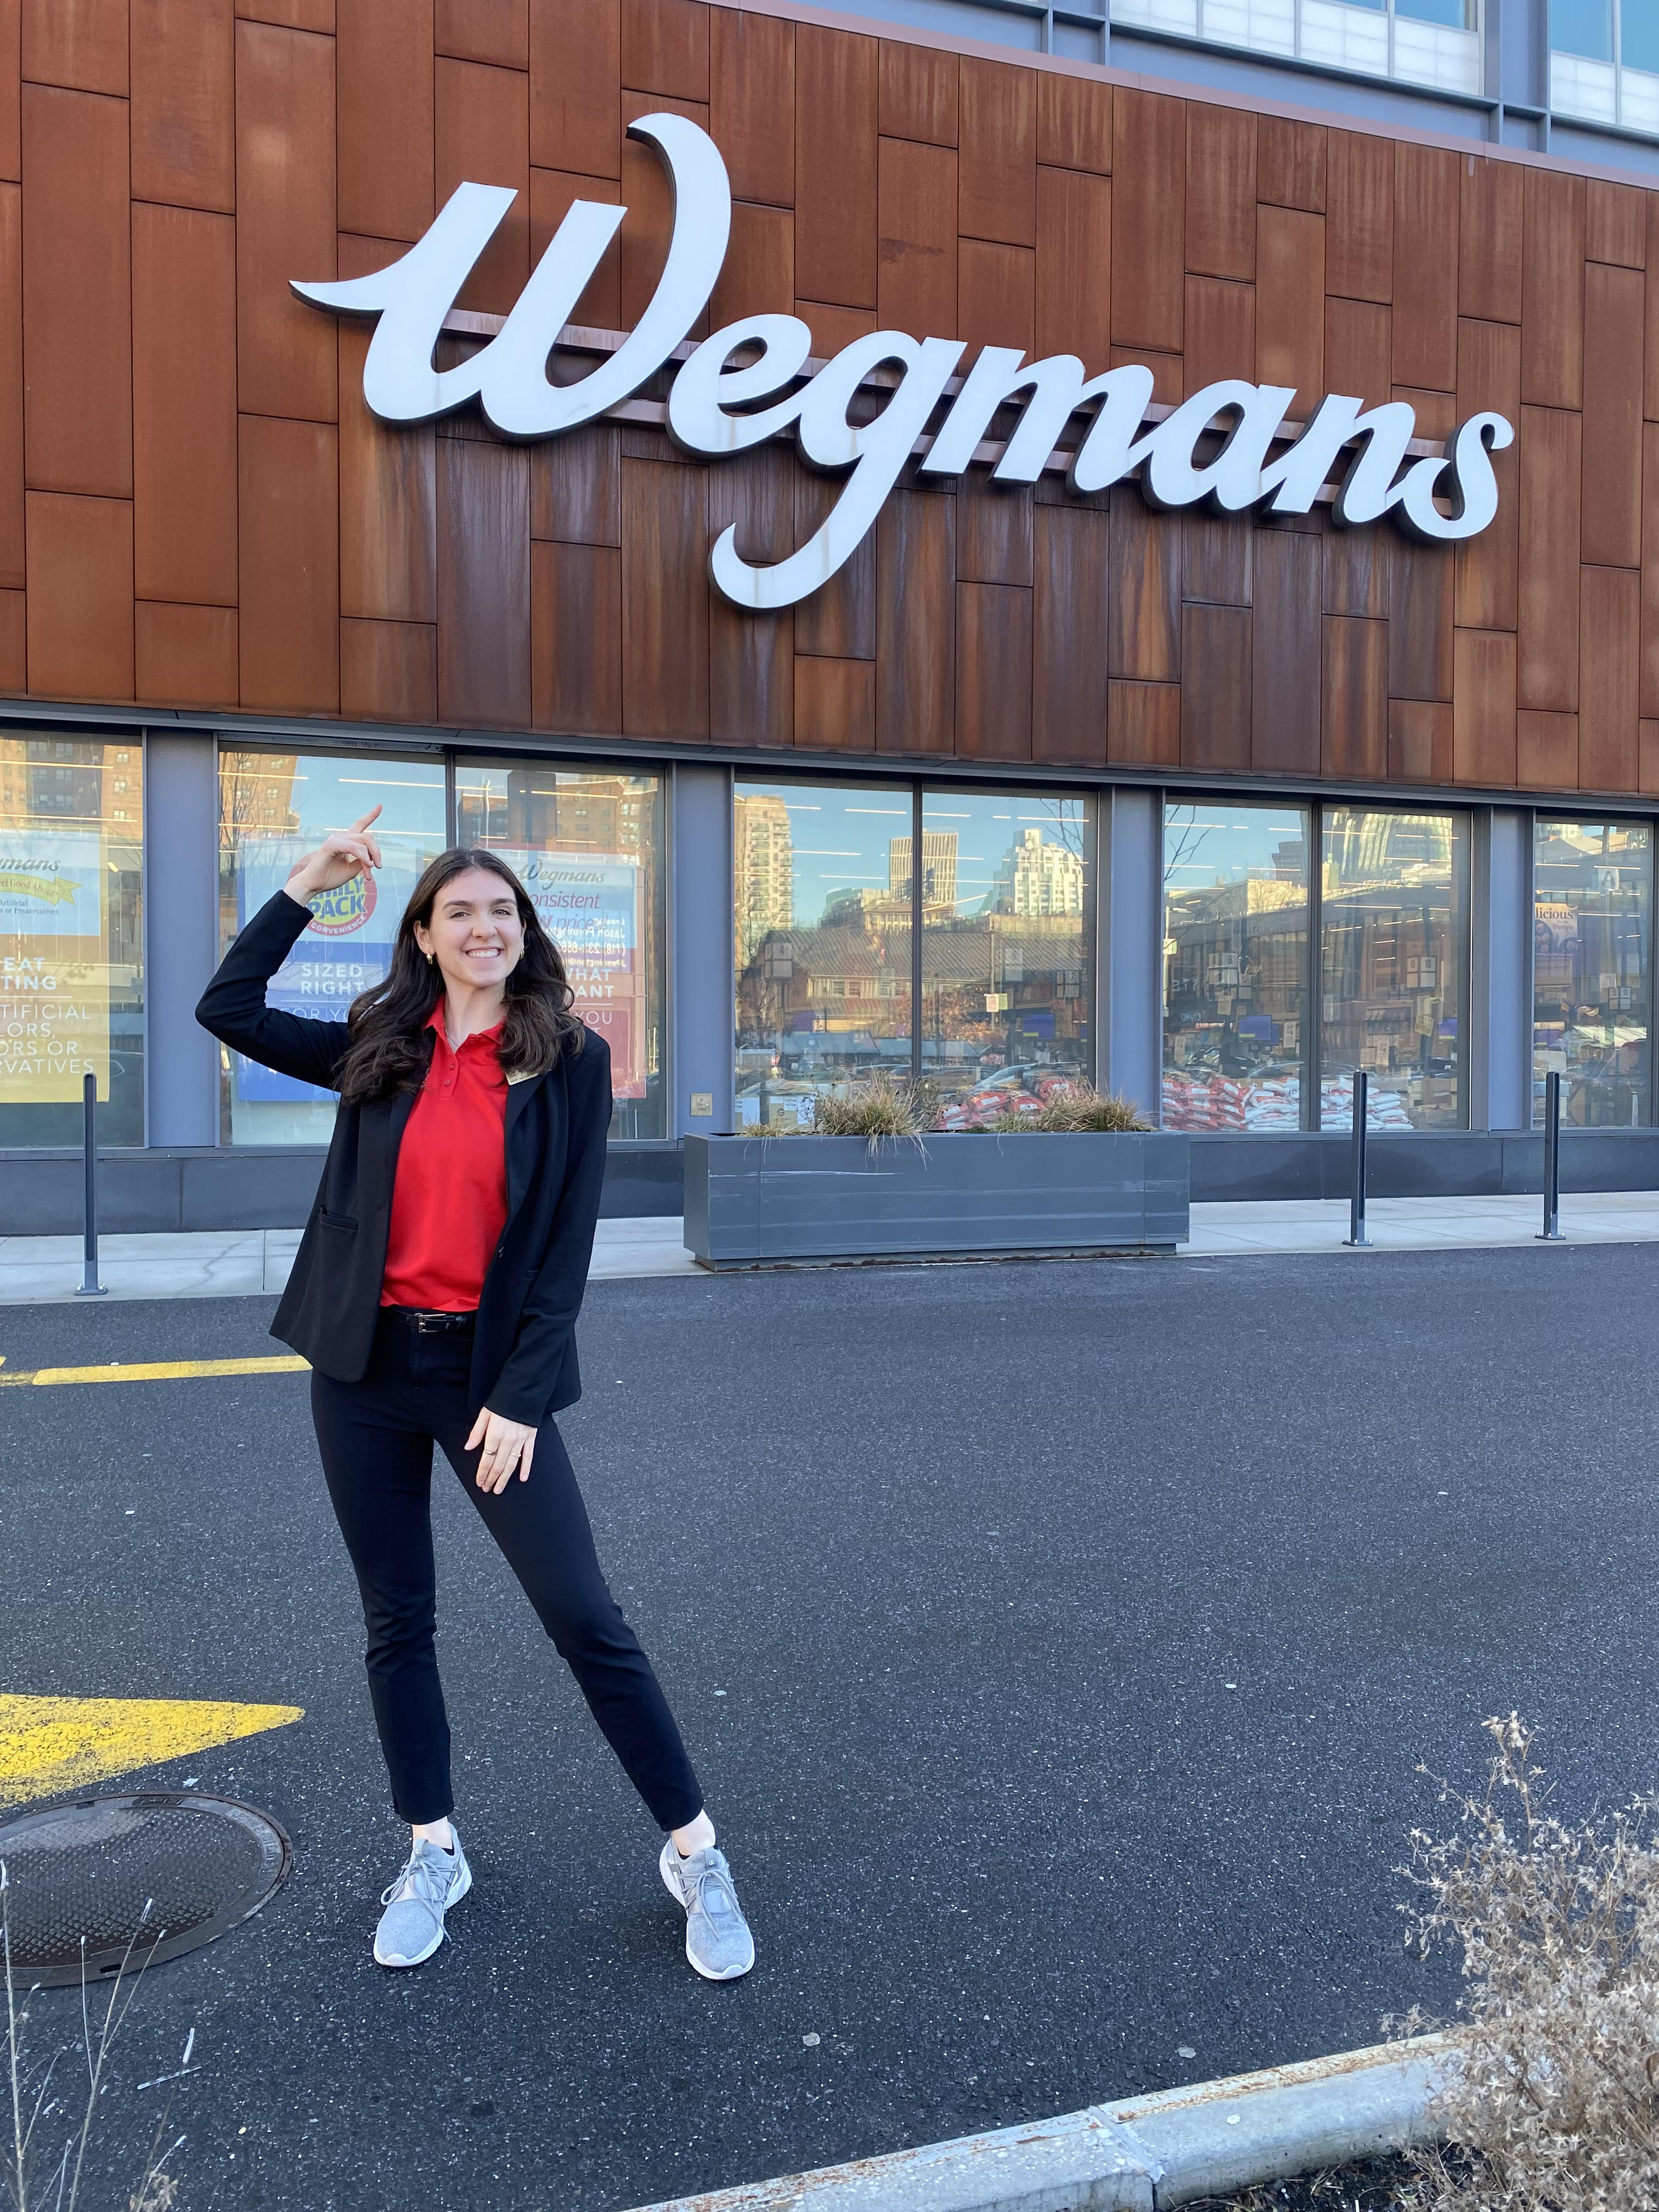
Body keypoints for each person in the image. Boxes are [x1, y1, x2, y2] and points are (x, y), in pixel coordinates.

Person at [196, 809, 753, 1981]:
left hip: (489, 1381)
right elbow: (228, 1010)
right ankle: (432, 1848)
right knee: (398, 1618)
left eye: (502, 910)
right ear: (426, 934)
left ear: (523, 931)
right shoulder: (379, 1040)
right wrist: (306, 883)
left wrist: (517, 1395)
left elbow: (561, 1248)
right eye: (461, 912)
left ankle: (697, 1851)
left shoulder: (569, 1059)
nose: (484, 927)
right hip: (364, 1370)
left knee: (585, 1616)